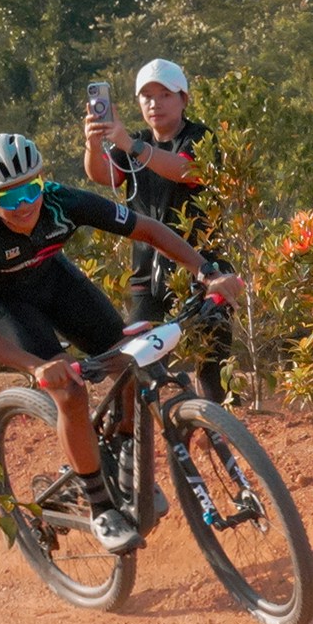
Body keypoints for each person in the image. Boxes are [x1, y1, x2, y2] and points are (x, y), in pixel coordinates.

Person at [0, 132, 239, 555]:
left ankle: (123, 455)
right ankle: (100, 505)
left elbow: (149, 230)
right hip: (6, 305)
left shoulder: (62, 200)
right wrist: (36, 367)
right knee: (69, 390)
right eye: (8, 200)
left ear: (42, 181)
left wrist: (207, 272)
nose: (25, 206)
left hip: (54, 279)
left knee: (129, 356)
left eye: (30, 191)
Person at [83, 58, 229, 400]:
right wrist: (94, 143)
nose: (155, 103)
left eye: (164, 94)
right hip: (147, 271)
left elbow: (187, 171)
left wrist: (132, 147)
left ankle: (216, 430)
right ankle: (140, 440)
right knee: (138, 361)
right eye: (146, 96)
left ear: (183, 99)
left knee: (211, 363)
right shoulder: (133, 141)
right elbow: (103, 176)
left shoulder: (200, 137)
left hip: (200, 266)